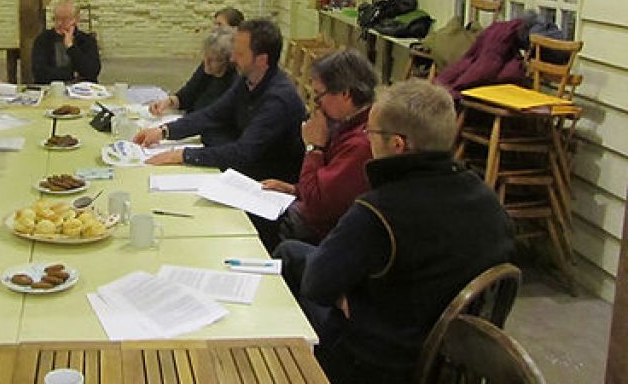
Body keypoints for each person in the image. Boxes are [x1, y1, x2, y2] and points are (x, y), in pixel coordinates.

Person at [281, 79, 514, 383]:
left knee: (291, 261)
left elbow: (316, 285)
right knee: (295, 254)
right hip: (454, 359)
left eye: (371, 133)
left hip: (380, 360)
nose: (367, 139)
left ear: (397, 144)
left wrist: (348, 298)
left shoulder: (378, 211)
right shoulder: (489, 202)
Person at [134, 20, 307, 246]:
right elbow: (213, 113)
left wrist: (183, 155)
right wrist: (164, 131)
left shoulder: (278, 99)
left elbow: (244, 152)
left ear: (262, 60)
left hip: (264, 189)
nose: (233, 58)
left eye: (240, 53)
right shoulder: (248, 80)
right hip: (242, 174)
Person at [260, 49, 376, 245]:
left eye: (318, 96)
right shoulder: (347, 124)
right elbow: (332, 189)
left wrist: (314, 148)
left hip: (324, 234)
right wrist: (293, 190)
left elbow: (317, 206)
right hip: (313, 216)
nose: (316, 106)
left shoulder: (361, 144)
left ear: (345, 94)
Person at [149, 26, 235, 117]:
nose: (206, 63)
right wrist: (168, 102)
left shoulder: (234, 80)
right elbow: (186, 95)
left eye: (212, 60)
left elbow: (216, 115)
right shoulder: (206, 68)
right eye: (205, 57)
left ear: (228, 60)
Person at [31, 0, 101, 84]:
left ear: (76, 19)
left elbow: (91, 72)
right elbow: (40, 73)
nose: (59, 23)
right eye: (56, 19)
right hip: (52, 89)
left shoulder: (87, 40)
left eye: (65, 19)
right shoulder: (43, 40)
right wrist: (72, 74)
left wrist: (71, 47)